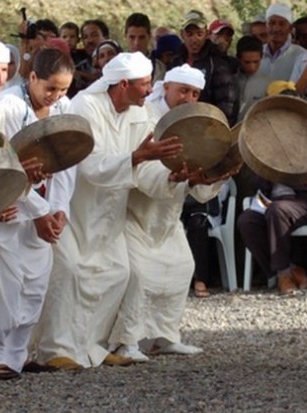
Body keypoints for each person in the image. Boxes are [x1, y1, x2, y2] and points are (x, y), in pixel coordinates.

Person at [34, 52, 182, 370]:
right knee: (71, 272)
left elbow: (145, 168)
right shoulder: (86, 106)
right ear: (123, 84)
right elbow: (87, 164)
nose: (149, 91)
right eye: (144, 84)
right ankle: (56, 348)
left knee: (117, 273)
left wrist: (172, 175)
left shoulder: (138, 115)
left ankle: (90, 346)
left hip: (111, 210)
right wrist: (135, 157)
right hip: (77, 208)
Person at [0, 47, 76, 379]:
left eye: (63, 90)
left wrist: (57, 211)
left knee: (34, 285)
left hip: (43, 211)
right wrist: (40, 211)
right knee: (5, 287)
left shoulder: (64, 108)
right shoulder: (9, 107)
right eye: (50, 88)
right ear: (31, 77)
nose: (56, 96)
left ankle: (16, 355)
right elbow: (9, 164)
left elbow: (68, 164)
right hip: (11, 207)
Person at [108, 64, 227, 361]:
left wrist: (209, 176)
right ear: (166, 89)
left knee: (180, 267)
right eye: (183, 91)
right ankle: (127, 342)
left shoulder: (195, 124)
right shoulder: (143, 117)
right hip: (135, 212)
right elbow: (140, 165)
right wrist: (170, 178)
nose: (188, 98)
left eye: (195, 93)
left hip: (167, 216)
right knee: (139, 275)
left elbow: (198, 179)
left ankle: (163, 338)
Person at [171, 10, 239, 123]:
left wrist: (219, 130)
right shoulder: (175, 62)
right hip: (178, 125)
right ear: (182, 34)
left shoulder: (217, 64)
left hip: (207, 128)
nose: (194, 39)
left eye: (199, 34)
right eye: (189, 34)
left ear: (207, 34)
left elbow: (227, 103)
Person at [260, 3, 307, 82]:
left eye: (282, 24)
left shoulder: (301, 55)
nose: (276, 29)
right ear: (266, 26)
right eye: (272, 23)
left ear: (290, 28)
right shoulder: (257, 53)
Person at [235, 35, 270, 119]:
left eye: (256, 62)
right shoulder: (229, 79)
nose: (252, 67)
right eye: (247, 62)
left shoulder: (268, 84)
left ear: (262, 57)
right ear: (238, 58)